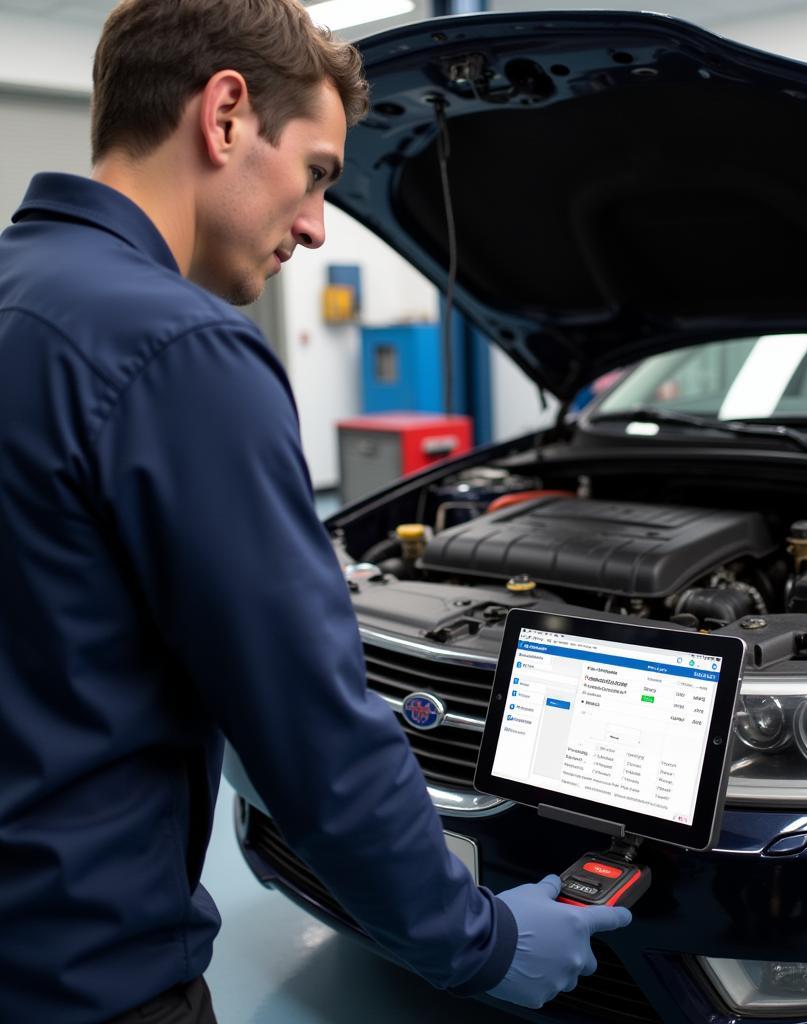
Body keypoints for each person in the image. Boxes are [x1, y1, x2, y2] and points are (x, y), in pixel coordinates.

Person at [0, 1, 632, 1021]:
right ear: (225, 116)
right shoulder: (182, 348)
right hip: (94, 981)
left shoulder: (21, 295)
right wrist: (481, 942)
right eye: (319, 174)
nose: (313, 225)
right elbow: (312, 734)